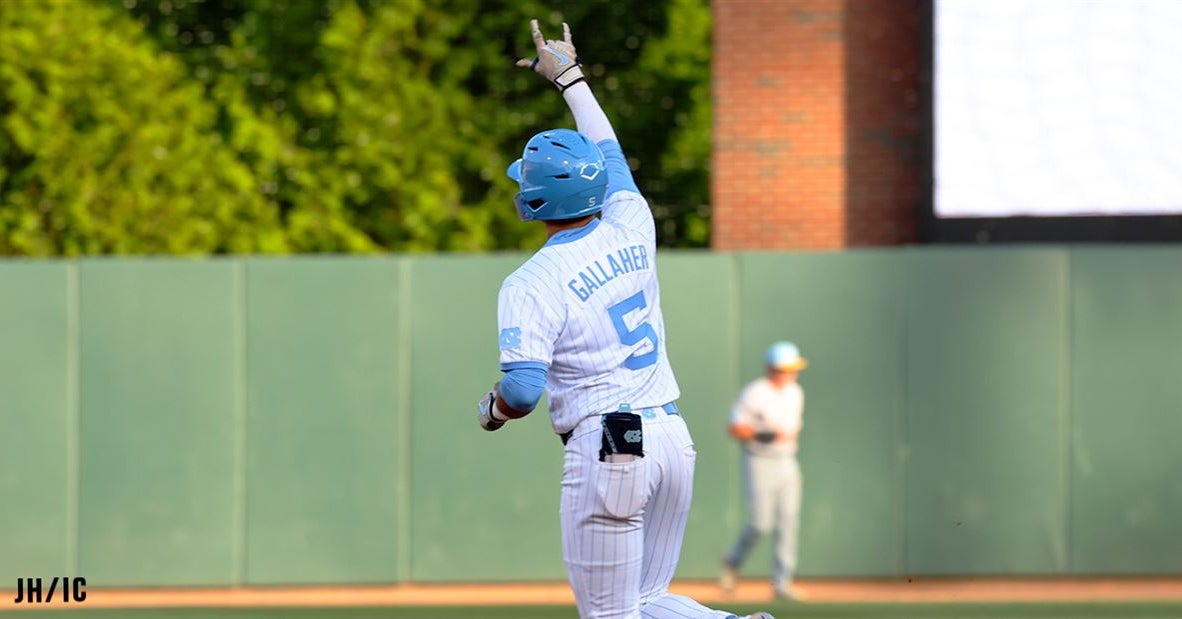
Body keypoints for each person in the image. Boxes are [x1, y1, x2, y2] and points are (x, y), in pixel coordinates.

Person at [475, 19, 774, 619]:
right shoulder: (632, 221)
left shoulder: (530, 282)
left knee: (612, 615)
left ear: (532, 201)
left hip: (609, 443)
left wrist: (491, 410)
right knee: (648, 601)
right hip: (671, 437)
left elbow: (524, 389)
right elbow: (609, 154)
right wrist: (571, 79)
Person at [719, 342, 807, 601]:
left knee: (789, 521)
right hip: (759, 460)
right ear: (772, 369)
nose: (792, 373)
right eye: (786, 369)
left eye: (793, 368)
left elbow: (792, 430)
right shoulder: (755, 393)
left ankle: (782, 583)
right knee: (760, 523)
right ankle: (732, 562)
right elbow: (735, 429)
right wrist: (764, 434)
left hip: (787, 461)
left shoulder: (796, 392)